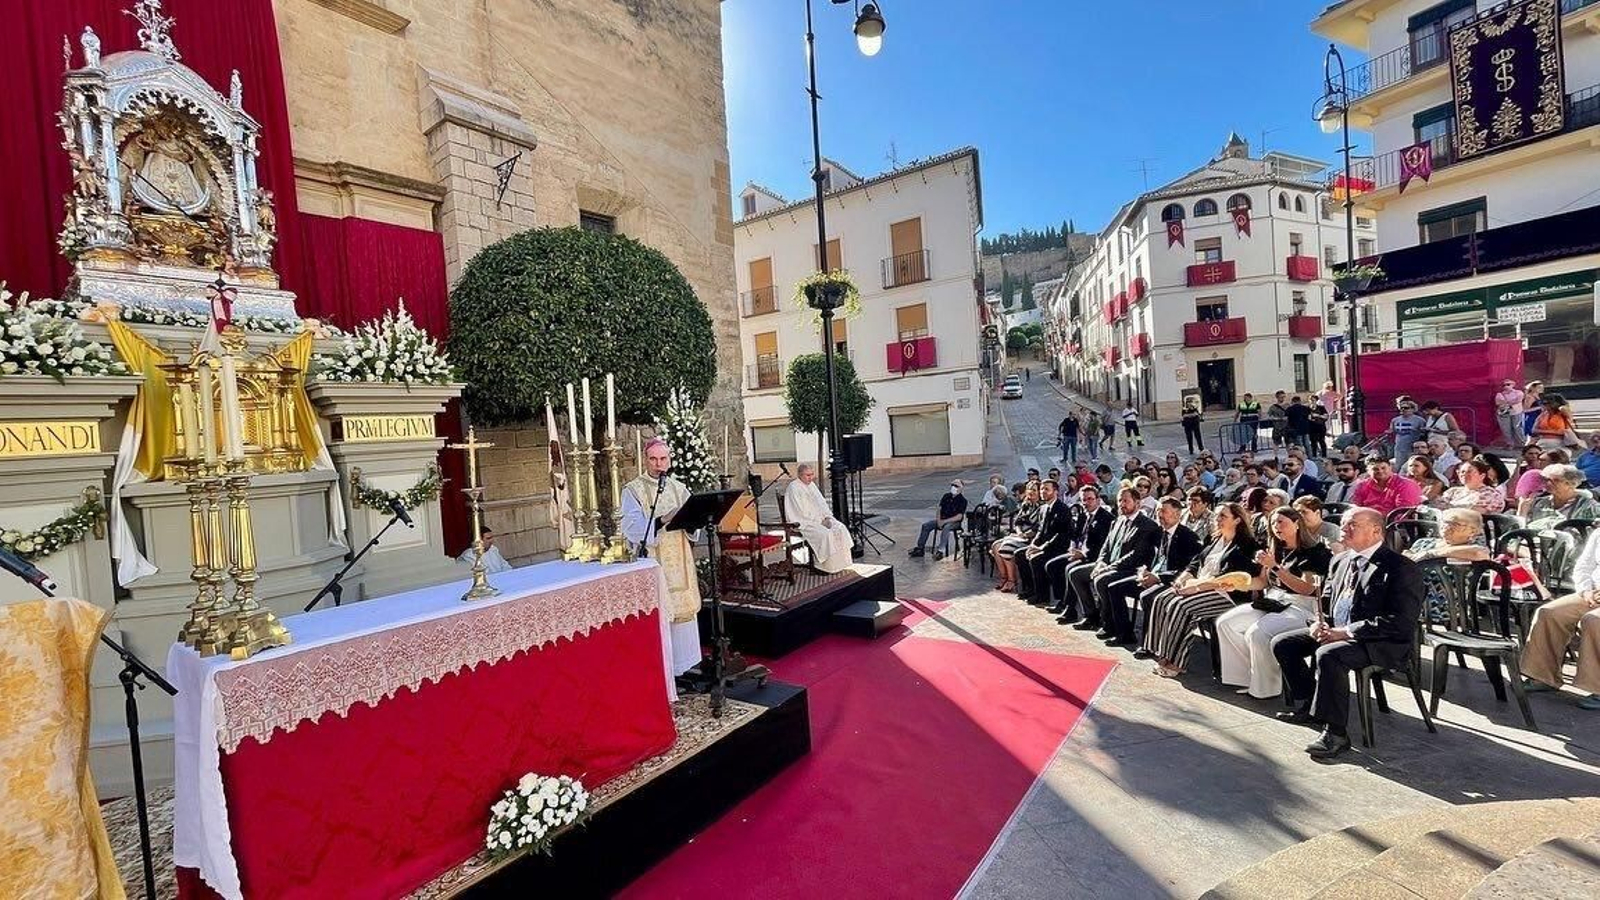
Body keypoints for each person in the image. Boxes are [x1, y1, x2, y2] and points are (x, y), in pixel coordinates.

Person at [1272, 507, 1425, 759]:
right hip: (1338, 631)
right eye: (1343, 523)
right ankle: (1310, 705)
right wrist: (1317, 623)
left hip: (1380, 640)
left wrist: (1346, 632)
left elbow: (1400, 621)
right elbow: (1328, 601)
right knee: (1284, 644)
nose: (1344, 528)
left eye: (1353, 524)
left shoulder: (1400, 568)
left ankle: (1336, 733)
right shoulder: (1341, 560)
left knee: (1330, 655)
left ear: (1376, 530)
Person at [1216, 506, 1333, 699]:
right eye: (1273, 523)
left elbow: (1307, 589)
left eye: (1281, 522)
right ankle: (1247, 676)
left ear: (1296, 524)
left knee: (1258, 633)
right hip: (1273, 600)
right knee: (1226, 623)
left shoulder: (1315, 552)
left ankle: (1266, 688)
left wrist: (1276, 567)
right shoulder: (1276, 547)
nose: (1276, 527)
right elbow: (1261, 581)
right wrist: (1237, 585)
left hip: (1301, 606)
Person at [1140, 502, 1261, 676]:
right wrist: (1182, 580)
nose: (1217, 519)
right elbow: (1195, 563)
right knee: (1162, 598)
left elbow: (1227, 578)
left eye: (1223, 516)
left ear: (1237, 520)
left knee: (1182, 607)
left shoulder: (1246, 545)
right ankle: (1162, 652)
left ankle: (1177, 662)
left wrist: (1195, 588)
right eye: (1217, 515)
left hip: (1226, 594)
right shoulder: (1214, 538)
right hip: (1200, 585)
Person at [621, 438, 704, 675]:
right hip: (654, 561)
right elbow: (632, 527)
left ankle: (686, 667)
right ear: (645, 460)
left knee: (683, 612)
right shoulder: (633, 490)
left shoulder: (680, 488)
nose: (659, 464)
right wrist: (663, 519)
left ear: (670, 460)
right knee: (661, 614)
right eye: (654, 459)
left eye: (663, 459)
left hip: (681, 560)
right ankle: (664, 671)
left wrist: (690, 522)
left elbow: (694, 525)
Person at [1101, 496, 1201, 646]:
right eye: (1158, 510)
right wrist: (1144, 571)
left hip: (1171, 581)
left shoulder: (1189, 537)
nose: (1159, 515)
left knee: (1147, 597)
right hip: (1150, 575)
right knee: (1114, 587)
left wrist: (1158, 577)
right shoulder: (1157, 532)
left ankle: (1148, 644)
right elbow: (1146, 556)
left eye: (1164, 511)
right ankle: (1125, 634)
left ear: (1177, 514)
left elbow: (1188, 569)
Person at [1521, 526, 1600, 711]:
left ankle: (1597, 688)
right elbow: (1583, 567)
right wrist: (1586, 590)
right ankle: (1543, 676)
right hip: (1593, 592)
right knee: (1549, 613)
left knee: (1594, 621)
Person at [1060, 486, 1160, 631]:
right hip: (1109, 565)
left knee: (1101, 580)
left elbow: (1136, 555)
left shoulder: (1147, 525)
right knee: (1075, 574)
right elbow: (1106, 547)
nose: (1121, 504)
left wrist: (1108, 568)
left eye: (1126, 501)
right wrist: (1101, 562)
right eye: (1120, 501)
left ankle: (1109, 623)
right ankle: (1091, 615)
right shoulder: (1117, 521)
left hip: (1129, 569)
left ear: (1137, 503)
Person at [1405, 507, 1491, 623]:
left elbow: (1479, 553)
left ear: (1472, 531)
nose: (1446, 527)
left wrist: (1432, 554)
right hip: (1410, 595)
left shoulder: (1471, 550)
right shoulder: (1423, 543)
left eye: (1454, 524)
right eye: (1444, 522)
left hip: (1443, 605)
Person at [1042, 485, 1113, 614]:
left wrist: (1083, 554)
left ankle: (1072, 609)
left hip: (1094, 556)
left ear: (1098, 500)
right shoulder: (1083, 516)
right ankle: (1061, 601)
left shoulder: (1106, 518)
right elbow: (1074, 536)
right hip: (1078, 552)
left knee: (1071, 569)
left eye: (1090, 499)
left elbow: (1103, 544)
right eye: (1083, 500)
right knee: (1052, 565)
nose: (1086, 503)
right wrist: (1073, 548)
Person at [783, 463, 855, 574]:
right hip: (803, 522)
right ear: (800, 475)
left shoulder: (811, 485)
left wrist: (827, 517)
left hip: (821, 519)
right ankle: (823, 567)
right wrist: (820, 521)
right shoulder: (794, 487)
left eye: (812, 475)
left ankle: (839, 565)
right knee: (826, 534)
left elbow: (822, 503)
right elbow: (802, 511)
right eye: (807, 475)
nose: (811, 478)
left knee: (840, 528)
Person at [1014, 480, 1073, 604]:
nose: (1043, 492)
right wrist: (1033, 545)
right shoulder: (1044, 508)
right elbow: (1040, 531)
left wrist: (1041, 548)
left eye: (1046, 489)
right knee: (1020, 554)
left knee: (1036, 559)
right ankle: (1031, 589)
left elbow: (1060, 534)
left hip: (1057, 547)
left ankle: (1043, 596)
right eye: (1041, 489)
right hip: (1044, 545)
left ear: (1055, 492)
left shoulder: (1062, 509)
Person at [990, 482, 1042, 593]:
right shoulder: (1026, 505)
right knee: (995, 546)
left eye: (1034, 490)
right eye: (1029, 489)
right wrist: (1019, 532)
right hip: (1020, 535)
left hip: (1031, 537)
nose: (1031, 492)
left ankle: (1012, 581)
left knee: (1005, 548)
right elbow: (1018, 522)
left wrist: (1026, 534)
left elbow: (1039, 527)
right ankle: (1005, 578)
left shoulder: (1042, 507)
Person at [1523, 463, 1600, 526]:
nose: (1548, 483)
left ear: (1571, 483)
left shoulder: (1588, 506)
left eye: (1556, 480)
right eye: (1546, 480)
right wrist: (1522, 511)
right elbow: (1525, 528)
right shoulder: (1539, 503)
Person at [910, 479, 968, 560]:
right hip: (942, 519)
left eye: (956, 486)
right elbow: (939, 509)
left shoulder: (963, 501)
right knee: (926, 526)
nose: (953, 487)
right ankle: (920, 548)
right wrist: (939, 520)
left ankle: (940, 551)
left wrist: (944, 521)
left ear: (961, 488)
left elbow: (959, 517)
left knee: (946, 527)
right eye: (952, 485)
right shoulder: (946, 496)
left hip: (953, 522)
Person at [1350, 455, 1424, 516]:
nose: (1380, 471)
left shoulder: (1405, 485)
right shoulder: (1362, 485)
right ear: (1368, 471)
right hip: (1366, 522)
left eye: (1383, 468)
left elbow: (1402, 514)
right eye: (1375, 469)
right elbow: (1356, 507)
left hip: (1396, 527)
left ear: (1390, 467)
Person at [1436, 458, 1506, 514]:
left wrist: (1448, 507)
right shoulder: (1453, 491)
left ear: (1482, 476)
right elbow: (1439, 506)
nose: (1464, 474)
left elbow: (1474, 512)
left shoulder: (1490, 494)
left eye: (1469, 472)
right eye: (1462, 472)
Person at [1382, 400, 1428, 466]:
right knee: (1399, 465)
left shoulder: (1420, 420)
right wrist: (1388, 432)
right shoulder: (1395, 420)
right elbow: (1392, 430)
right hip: (1399, 447)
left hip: (1413, 448)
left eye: (1406, 408)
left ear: (1412, 409)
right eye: (1401, 408)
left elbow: (1424, 433)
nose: (1403, 409)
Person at [1494, 379, 1525, 449]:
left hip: (1517, 412)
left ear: (1513, 385)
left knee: (1518, 428)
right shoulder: (1499, 394)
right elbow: (1498, 403)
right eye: (1504, 385)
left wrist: (1505, 402)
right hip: (1504, 413)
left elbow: (1518, 400)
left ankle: (1522, 444)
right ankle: (1510, 444)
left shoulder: (1519, 392)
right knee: (1505, 429)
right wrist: (1509, 402)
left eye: (1508, 384)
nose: (1506, 386)